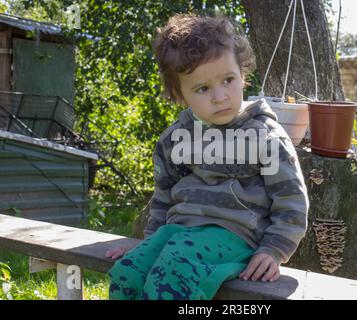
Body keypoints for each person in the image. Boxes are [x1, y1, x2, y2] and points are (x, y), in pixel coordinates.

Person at [106, 12, 309, 300]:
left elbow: (292, 201)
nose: (220, 96)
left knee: (175, 268)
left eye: (228, 80)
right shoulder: (175, 137)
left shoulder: (265, 136)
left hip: (236, 235)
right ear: (180, 94)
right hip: (177, 232)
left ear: (242, 75)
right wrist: (150, 245)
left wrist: (274, 249)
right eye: (202, 88)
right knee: (130, 269)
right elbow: (163, 198)